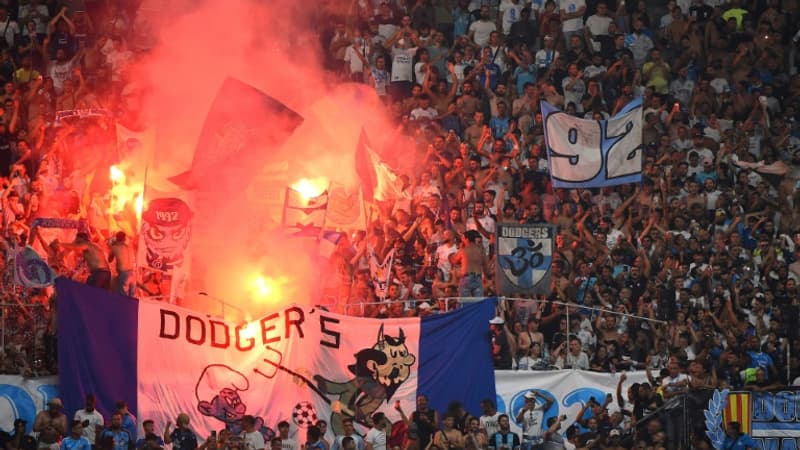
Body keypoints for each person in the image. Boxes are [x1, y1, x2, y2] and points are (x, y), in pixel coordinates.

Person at [452, 230, 490, 297]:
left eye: (463, 238)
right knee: (478, 303)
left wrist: (461, 247)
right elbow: (485, 267)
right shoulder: (481, 250)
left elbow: (454, 260)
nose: (462, 240)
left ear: (467, 239)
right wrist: (488, 276)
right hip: (478, 278)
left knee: (466, 302)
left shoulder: (463, 250)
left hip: (466, 278)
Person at [109, 231, 135, 296]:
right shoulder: (130, 247)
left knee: (122, 298)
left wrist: (112, 244)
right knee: (131, 299)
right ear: (124, 239)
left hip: (124, 275)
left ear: (116, 238)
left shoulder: (114, 247)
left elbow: (110, 259)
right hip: (133, 274)